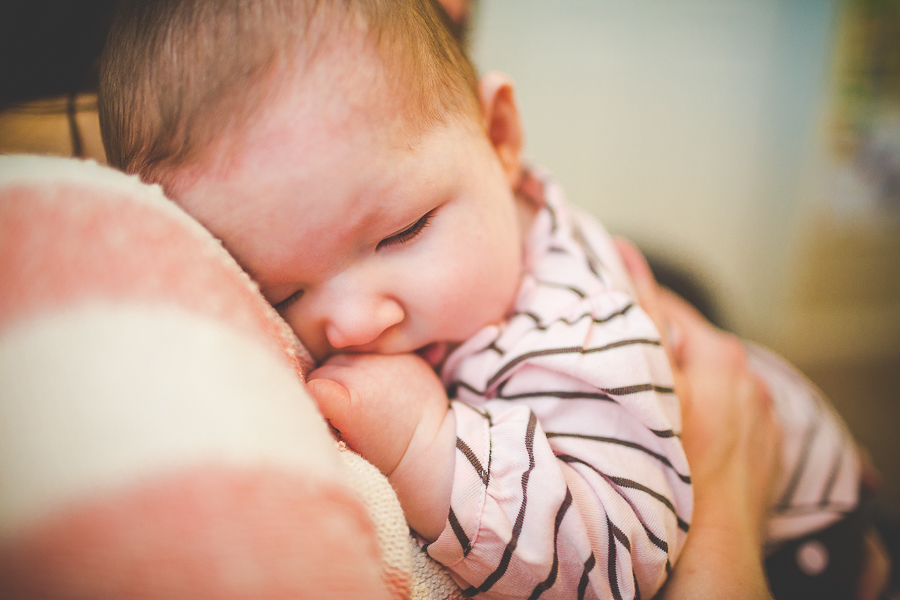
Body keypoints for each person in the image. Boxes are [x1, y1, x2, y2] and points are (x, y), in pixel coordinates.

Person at [97, 0, 880, 597]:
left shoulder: (575, 334)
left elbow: (621, 561)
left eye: (402, 232)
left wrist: (430, 449)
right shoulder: (445, 232)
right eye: (287, 289)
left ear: (503, 137)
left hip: (818, 542)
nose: (357, 319)